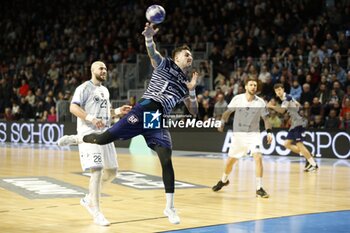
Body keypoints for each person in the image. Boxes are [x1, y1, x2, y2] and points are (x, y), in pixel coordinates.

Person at [58, 23, 199, 224]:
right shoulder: (165, 64)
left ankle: (170, 207)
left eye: (190, 55)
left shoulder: (185, 85)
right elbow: (152, 53)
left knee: (166, 160)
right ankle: (77, 138)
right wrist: (149, 38)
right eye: (186, 54)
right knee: (102, 138)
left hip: (156, 119)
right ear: (177, 58)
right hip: (144, 109)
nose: (190, 57)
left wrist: (192, 90)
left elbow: (193, 111)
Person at [58, 61, 131, 226]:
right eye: (101, 68)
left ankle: (89, 198)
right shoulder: (83, 88)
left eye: (105, 68)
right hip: (89, 133)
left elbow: (106, 113)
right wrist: (91, 118)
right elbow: (73, 108)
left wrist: (119, 112)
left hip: (105, 134)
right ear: (93, 71)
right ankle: (97, 212)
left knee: (112, 172)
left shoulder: (104, 90)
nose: (104, 70)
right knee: (97, 171)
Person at [212, 77, 273, 198]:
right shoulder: (237, 99)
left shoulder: (260, 102)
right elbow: (227, 112)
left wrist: (269, 132)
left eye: (255, 85)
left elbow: (266, 118)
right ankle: (224, 180)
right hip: (238, 135)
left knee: (258, 157)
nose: (253, 87)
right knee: (230, 162)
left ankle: (259, 188)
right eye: (251, 85)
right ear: (246, 87)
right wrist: (222, 122)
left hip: (254, 135)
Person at [268, 83, 318, 172]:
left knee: (299, 144)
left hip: (299, 123)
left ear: (283, 89)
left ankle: (313, 164)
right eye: (276, 90)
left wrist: (271, 106)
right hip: (295, 123)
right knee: (286, 143)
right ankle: (309, 156)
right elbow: (298, 104)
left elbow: (282, 110)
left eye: (280, 89)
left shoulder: (287, 98)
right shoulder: (288, 97)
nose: (278, 92)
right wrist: (294, 112)